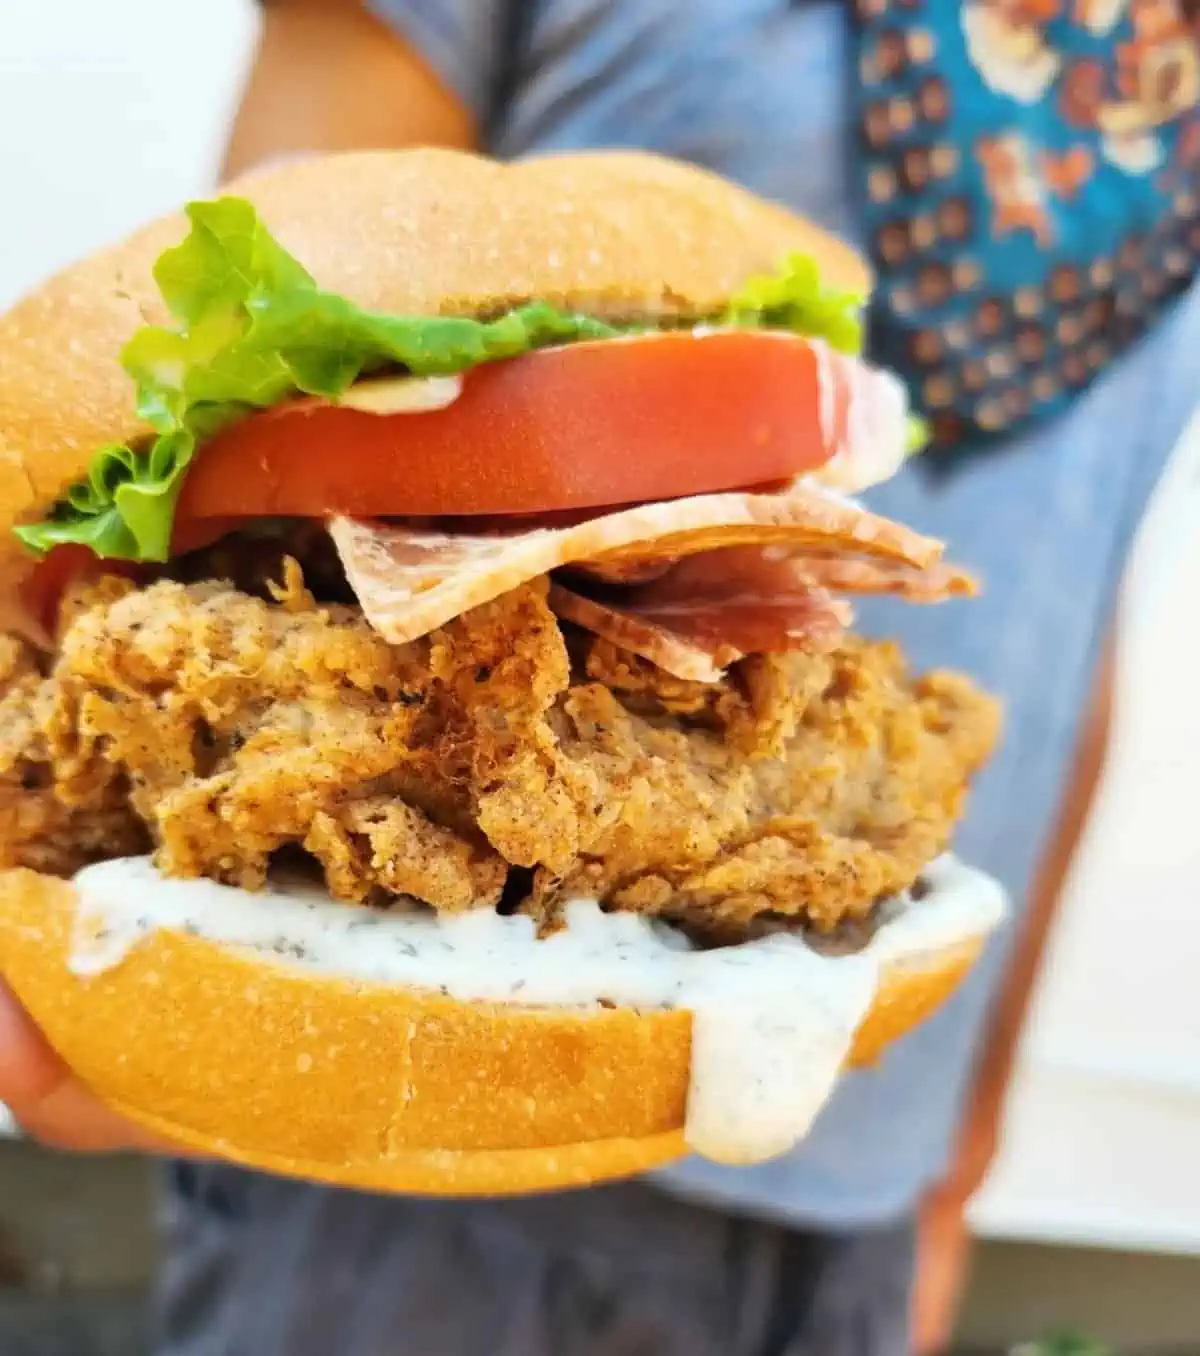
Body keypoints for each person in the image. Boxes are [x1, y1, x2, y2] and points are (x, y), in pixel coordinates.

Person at [3, 1, 1199, 1352]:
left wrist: (965, 1147)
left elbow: (1075, 636)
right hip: (396, 1186)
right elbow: (227, 341)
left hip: (868, 1147)